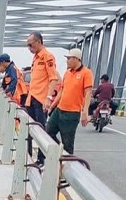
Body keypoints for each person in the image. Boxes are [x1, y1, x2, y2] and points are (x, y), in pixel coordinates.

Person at [44, 48, 93, 157]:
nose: (67, 61)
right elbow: (62, 91)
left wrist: (85, 112)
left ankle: (66, 165)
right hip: (59, 110)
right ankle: (59, 151)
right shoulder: (67, 73)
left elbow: (88, 92)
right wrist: (52, 106)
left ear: (76, 59)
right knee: (48, 132)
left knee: (68, 143)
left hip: (72, 113)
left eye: (69, 58)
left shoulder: (86, 73)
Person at [26, 31, 59, 164]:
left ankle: (41, 158)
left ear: (38, 42)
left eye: (30, 45)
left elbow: (53, 78)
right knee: (29, 128)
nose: (29, 48)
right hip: (32, 97)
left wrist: (48, 98)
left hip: (41, 99)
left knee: (40, 129)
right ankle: (27, 155)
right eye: (27, 45)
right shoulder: (36, 57)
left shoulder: (47, 57)